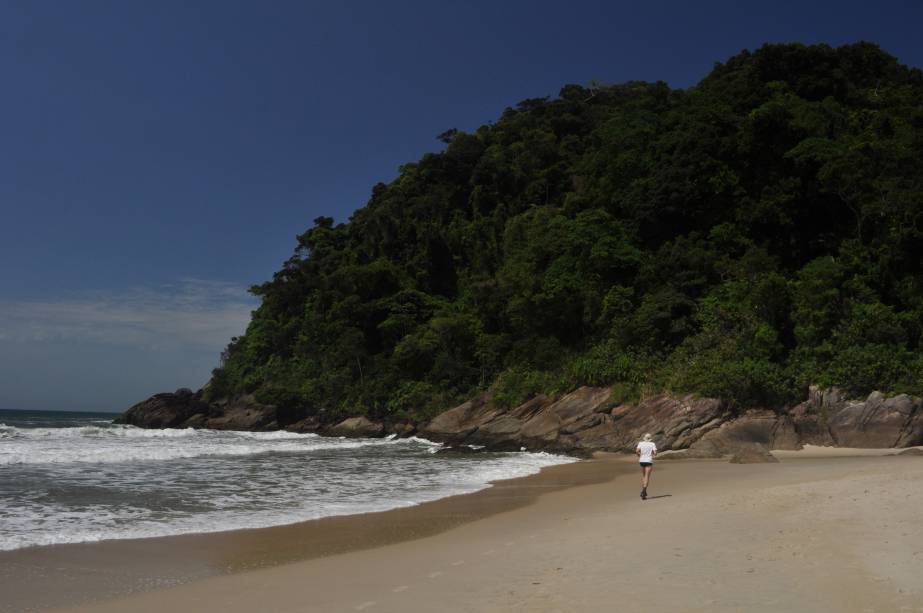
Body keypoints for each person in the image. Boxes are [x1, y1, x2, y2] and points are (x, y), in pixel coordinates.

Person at [635, 433, 657, 500]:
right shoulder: (652, 444)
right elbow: (655, 453)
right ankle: (644, 491)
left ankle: (643, 491)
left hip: (642, 461)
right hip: (648, 461)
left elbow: (637, 451)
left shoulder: (640, 443)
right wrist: (653, 455)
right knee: (647, 476)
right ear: (650, 439)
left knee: (644, 476)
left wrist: (639, 455)